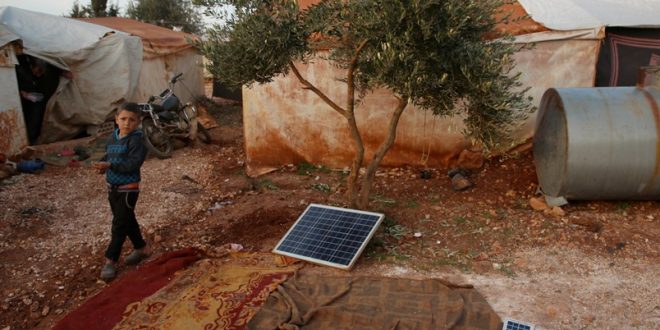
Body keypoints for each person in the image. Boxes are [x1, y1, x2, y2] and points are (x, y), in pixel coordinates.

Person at [92, 103, 150, 281]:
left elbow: (133, 164)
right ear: (116, 120)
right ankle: (141, 248)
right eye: (123, 119)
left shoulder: (136, 140)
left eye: (132, 120)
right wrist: (102, 164)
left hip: (129, 188)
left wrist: (110, 165)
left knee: (118, 224)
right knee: (127, 219)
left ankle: (111, 260)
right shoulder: (112, 138)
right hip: (113, 188)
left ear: (138, 122)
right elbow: (109, 156)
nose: (127, 123)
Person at [16, 55, 47, 144]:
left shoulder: (36, 73)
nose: (38, 75)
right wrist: (21, 92)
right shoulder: (20, 67)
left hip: (32, 98)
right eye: (38, 71)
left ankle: (32, 139)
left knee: (35, 118)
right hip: (22, 96)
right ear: (32, 66)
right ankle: (26, 139)